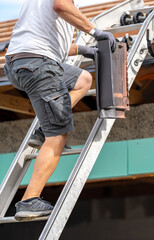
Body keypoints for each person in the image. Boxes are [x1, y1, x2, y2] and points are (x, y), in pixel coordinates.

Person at [4, 0, 116, 220]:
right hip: (39, 64)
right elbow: (60, 5)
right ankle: (29, 200)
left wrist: (83, 49)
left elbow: (49, 38)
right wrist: (96, 32)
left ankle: (44, 131)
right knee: (58, 136)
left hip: (21, 62)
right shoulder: (62, 3)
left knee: (83, 79)